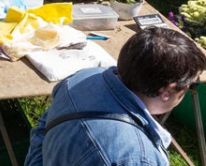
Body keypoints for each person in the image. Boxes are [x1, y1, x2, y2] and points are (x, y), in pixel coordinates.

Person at [25, 27, 206, 166]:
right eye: (193, 83)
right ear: (167, 91)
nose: (192, 87)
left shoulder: (82, 77)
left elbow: (41, 131)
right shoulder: (136, 158)